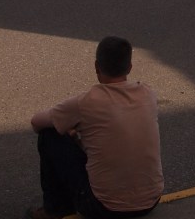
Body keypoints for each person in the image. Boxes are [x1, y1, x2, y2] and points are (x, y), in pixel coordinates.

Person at [27, 36, 163, 219]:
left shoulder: (87, 102)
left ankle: (54, 209)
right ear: (129, 67)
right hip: (150, 201)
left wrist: (68, 129)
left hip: (104, 208)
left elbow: (36, 122)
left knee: (49, 134)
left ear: (96, 66)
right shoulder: (147, 94)